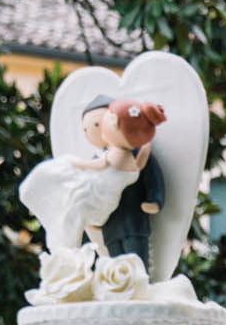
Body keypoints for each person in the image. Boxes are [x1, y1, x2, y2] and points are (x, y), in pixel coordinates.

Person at [17, 97, 165, 259]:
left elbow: (152, 176)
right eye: (86, 129)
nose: (96, 131)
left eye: (97, 124)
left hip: (133, 220)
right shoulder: (104, 156)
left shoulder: (135, 154)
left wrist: (155, 199)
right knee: (115, 260)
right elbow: (97, 168)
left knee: (136, 262)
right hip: (109, 225)